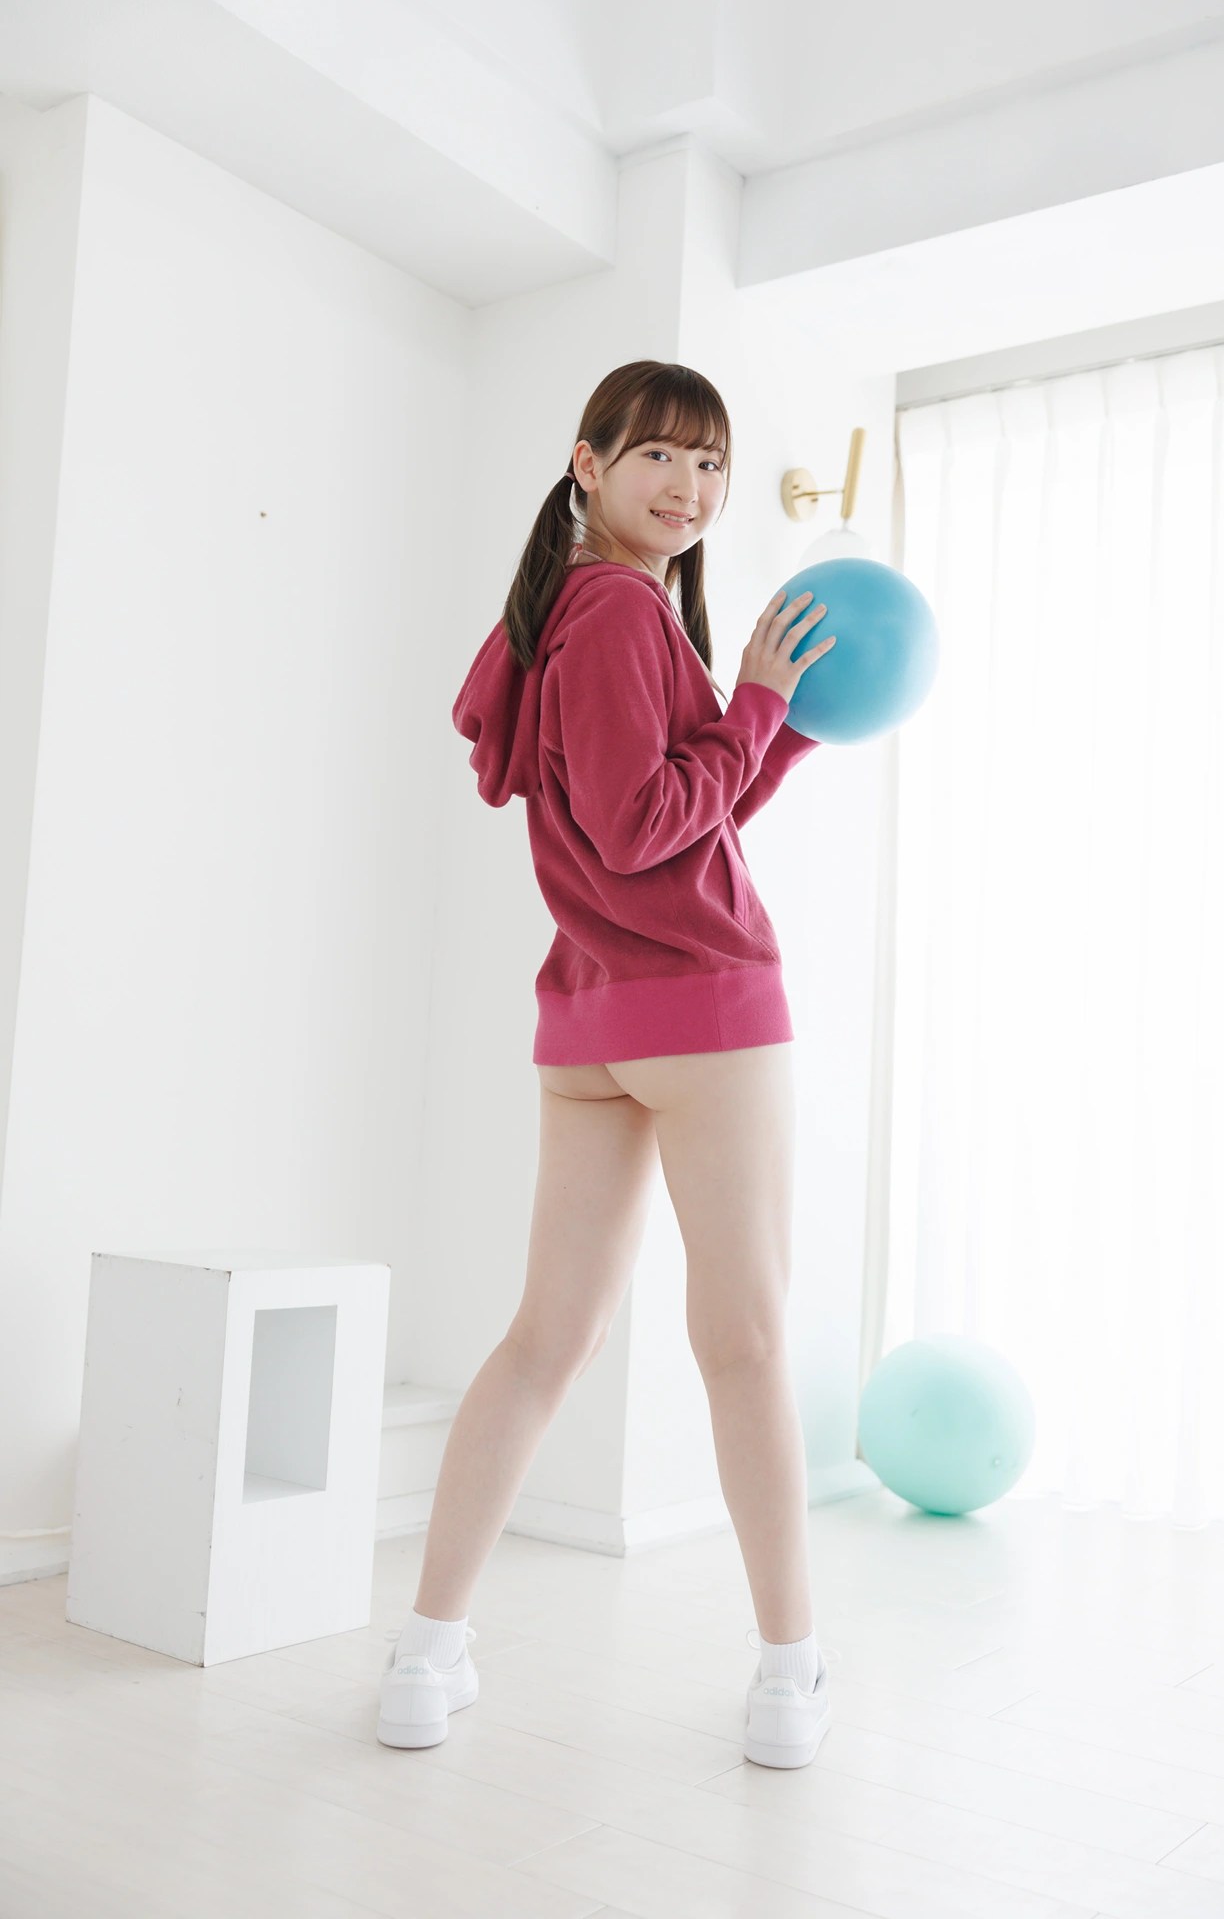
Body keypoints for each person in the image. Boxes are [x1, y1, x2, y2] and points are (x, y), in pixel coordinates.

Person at [377, 361, 841, 1768]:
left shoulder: (560, 613)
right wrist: (752, 702)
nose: (690, 489)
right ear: (588, 461)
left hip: (592, 1024)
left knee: (544, 1342)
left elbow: (671, 817)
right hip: (701, 1008)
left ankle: (424, 1659)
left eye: (712, 466)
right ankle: (789, 1676)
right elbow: (649, 830)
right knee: (745, 1343)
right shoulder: (622, 607)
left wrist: (776, 724)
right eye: (661, 457)